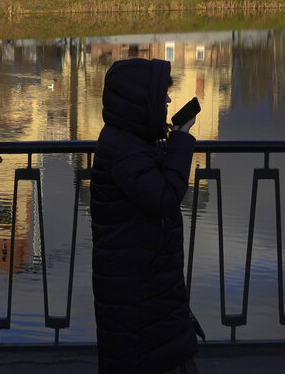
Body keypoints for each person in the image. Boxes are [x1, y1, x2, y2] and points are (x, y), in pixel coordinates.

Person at [91, 58, 199, 373]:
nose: (168, 101)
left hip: (142, 284)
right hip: (139, 290)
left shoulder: (129, 141)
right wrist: (181, 140)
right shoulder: (125, 150)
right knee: (148, 357)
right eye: (161, 95)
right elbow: (165, 198)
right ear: (141, 101)